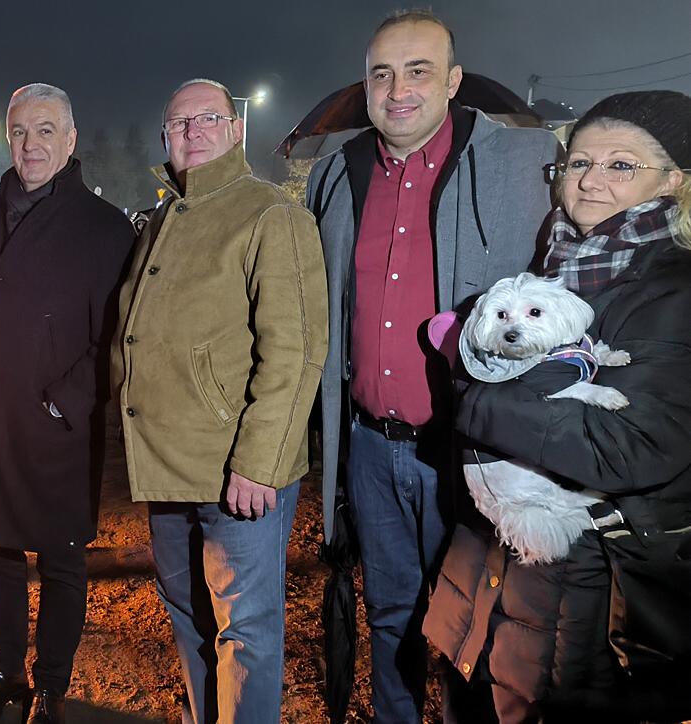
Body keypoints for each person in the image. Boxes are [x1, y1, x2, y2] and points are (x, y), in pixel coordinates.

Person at [305, 10, 559, 721]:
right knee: (390, 617)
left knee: (471, 629)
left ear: (452, 80)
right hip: (369, 448)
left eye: (418, 71)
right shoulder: (338, 176)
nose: (398, 91)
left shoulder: (520, 167)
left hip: (465, 451)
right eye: (382, 75)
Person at [425, 90, 691, 724]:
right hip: (497, 569)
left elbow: (631, 446)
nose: (592, 181)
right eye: (578, 163)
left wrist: (476, 396)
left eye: (621, 164)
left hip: (592, 587)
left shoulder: (675, 289)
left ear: (673, 180)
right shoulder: (549, 267)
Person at [112, 78, 327, 722]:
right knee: (188, 615)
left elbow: (295, 349)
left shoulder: (270, 214)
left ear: (236, 129)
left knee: (246, 631)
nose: (193, 131)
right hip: (169, 468)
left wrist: (260, 463)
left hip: (236, 473)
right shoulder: (165, 216)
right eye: (180, 123)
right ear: (166, 139)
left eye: (208, 119)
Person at [0, 83, 133, 724]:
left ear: (71, 139)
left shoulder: (104, 227)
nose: (31, 144)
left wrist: (66, 403)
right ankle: (5, 672)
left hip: (58, 426)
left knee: (61, 560)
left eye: (46, 130)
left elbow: (118, 334)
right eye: (20, 131)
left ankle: (51, 685)